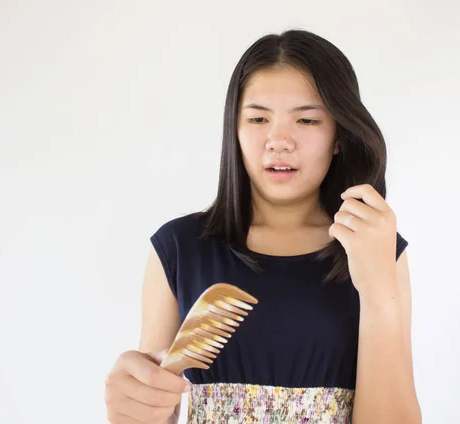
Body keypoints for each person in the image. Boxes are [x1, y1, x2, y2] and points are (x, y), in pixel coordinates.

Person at [104, 29, 422, 424]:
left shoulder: (375, 249)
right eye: (257, 118)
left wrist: (377, 293)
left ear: (339, 135)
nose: (278, 140)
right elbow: (156, 407)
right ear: (233, 130)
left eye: (306, 119)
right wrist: (133, 405)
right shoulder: (179, 248)